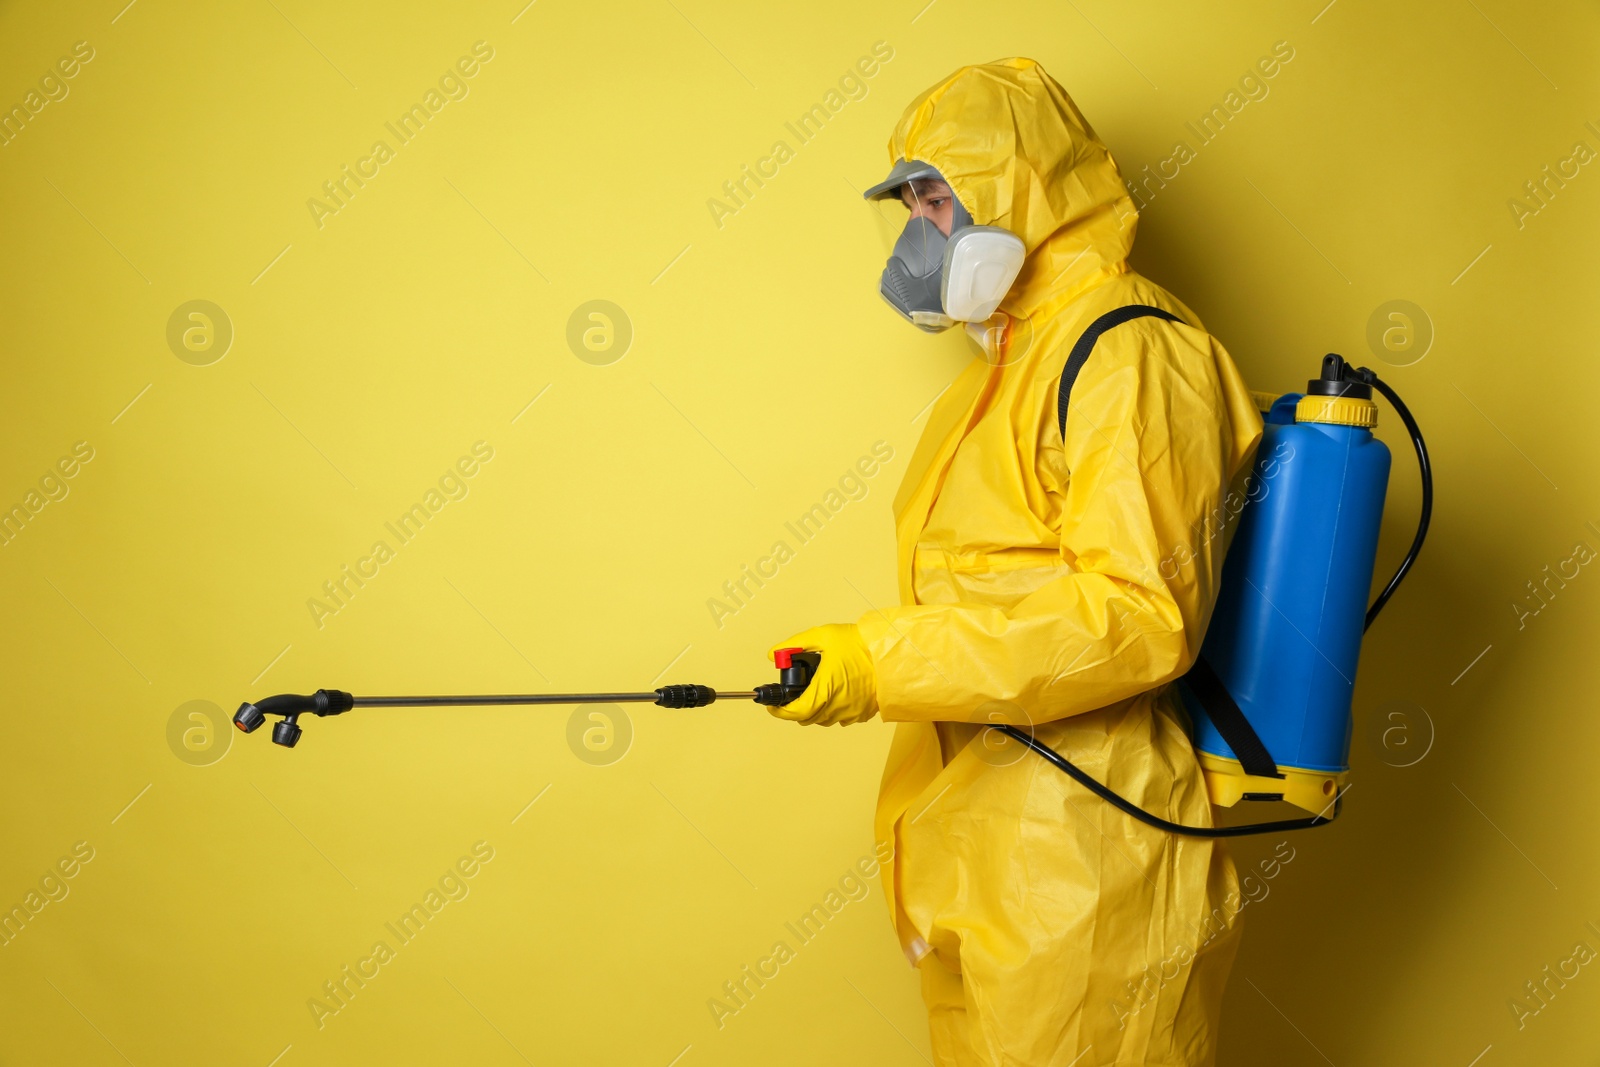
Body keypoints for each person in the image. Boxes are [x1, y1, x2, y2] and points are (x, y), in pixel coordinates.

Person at [768, 58, 1265, 1066]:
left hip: (1088, 863)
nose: (921, 235)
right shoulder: (999, 372)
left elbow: (1137, 615)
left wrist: (882, 663)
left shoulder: (1131, 349)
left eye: (938, 198)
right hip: (980, 859)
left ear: (1022, 187)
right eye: (909, 205)